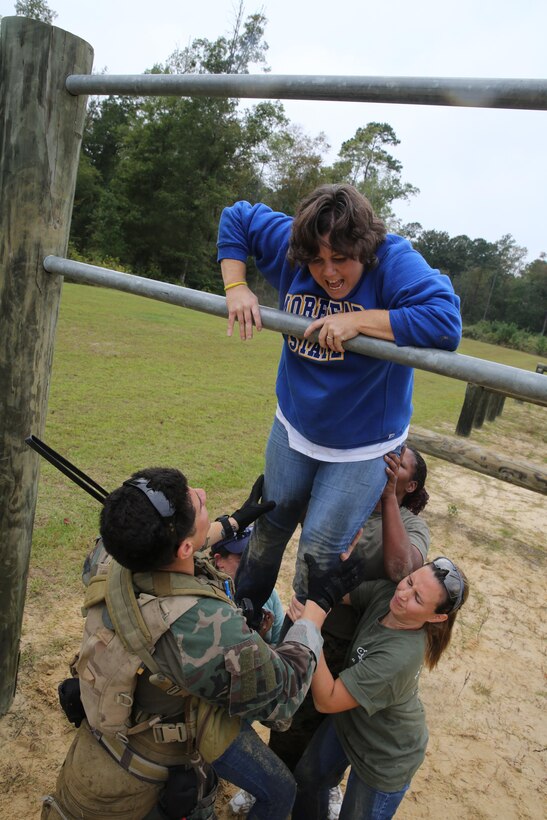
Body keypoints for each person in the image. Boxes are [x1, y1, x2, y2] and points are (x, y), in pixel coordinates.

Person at [42, 468, 366, 820]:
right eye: (196, 502)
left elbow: (168, 544)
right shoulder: (202, 627)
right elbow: (283, 696)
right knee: (281, 791)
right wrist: (318, 605)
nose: (202, 492)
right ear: (184, 547)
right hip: (158, 754)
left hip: (126, 713)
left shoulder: (109, 554)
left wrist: (229, 525)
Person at [217, 183, 461, 628]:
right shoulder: (296, 241)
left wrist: (359, 320)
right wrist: (236, 285)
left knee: (319, 552)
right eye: (316, 261)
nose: (328, 272)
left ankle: (293, 648)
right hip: (294, 425)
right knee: (269, 526)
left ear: (366, 249)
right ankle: (242, 624)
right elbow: (238, 217)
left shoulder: (393, 259)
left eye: (341, 259)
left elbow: (445, 322)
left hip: (363, 445)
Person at [268, 445, 431, 782]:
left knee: (332, 726)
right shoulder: (348, 500)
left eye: (399, 463)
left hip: (348, 642)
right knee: (288, 713)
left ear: (411, 485)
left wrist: (388, 498)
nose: (389, 462)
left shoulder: (411, 525)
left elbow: (402, 570)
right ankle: (272, 782)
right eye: (389, 455)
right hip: (304, 621)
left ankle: (320, 787)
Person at [289, 556, 469, 820]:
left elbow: (327, 700)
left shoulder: (399, 658)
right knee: (308, 779)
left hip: (384, 755)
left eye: (418, 599)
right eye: (410, 582)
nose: (403, 594)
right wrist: (325, 583)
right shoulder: (388, 595)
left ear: (436, 616)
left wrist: (310, 630)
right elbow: (344, 595)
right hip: (351, 721)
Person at [210, 526, 284, 645]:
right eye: (243, 559)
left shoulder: (268, 593)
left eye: (256, 556)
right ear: (219, 560)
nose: (253, 564)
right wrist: (259, 636)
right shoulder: (210, 602)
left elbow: (280, 643)